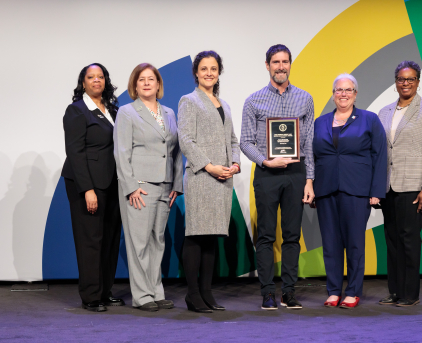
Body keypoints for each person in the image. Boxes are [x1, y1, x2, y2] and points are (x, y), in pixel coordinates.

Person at [240, 44, 315, 310]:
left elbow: (309, 143)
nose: (280, 66)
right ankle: (268, 293)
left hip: (296, 173)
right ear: (267, 65)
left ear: (290, 65)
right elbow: (245, 142)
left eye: (285, 62)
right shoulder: (254, 100)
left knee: (293, 236)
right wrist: (265, 160)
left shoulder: (305, 99)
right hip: (267, 175)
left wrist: (309, 179)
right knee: (266, 236)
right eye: (275, 62)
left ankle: (290, 292)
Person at [313, 74, 387, 309]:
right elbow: (313, 157)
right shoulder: (319, 122)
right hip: (325, 190)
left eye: (348, 90)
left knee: (355, 243)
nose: (343, 94)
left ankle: (353, 291)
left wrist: (376, 191)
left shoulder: (369, 120)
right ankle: (333, 291)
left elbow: (380, 156)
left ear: (355, 94)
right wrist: (311, 186)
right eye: (338, 90)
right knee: (331, 244)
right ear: (333, 94)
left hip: (357, 191)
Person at [114, 63, 183, 312]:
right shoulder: (127, 112)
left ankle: (156, 292)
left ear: (158, 84)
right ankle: (142, 295)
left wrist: (177, 183)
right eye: (141, 79)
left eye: (150, 79)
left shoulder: (169, 113)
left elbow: (175, 153)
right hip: (140, 187)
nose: (146, 83)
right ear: (135, 85)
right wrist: (130, 186)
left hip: (165, 187)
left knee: (158, 241)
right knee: (139, 243)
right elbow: (121, 153)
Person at [178, 51, 240, 313]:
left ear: (219, 72)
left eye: (213, 69)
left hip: (223, 179)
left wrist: (235, 164)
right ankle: (193, 295)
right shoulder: (189, 101)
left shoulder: (223, 104)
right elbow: (186, 140)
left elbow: (233, 140)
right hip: (202, 177)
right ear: (196, 72)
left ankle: (207, 292)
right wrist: (210, 166)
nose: (209, 73)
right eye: (204, 69)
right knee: (196, 236)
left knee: (212, 237)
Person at [378, 60, 422, 307]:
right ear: (395, 83)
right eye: (401, 79)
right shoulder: (384, 112)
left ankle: (410, 294)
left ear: (418, 81)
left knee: (409, 239)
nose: (405, 83)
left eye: (410, 79)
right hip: (388, 187)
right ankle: (395, 291)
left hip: (414, 187)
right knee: (392, 240)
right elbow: (381, 151)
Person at [61, 63, 123, 312]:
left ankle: (105, 291)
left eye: (101, 77)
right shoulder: (76, 110)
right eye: (91, 77)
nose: (96, 80)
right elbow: (75, 152)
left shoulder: (113, 111)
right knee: (90, 240)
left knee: (109, 239)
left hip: (111, 183)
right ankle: (91, 296)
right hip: (86, 183)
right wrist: (87, 189)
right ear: (83, 82)